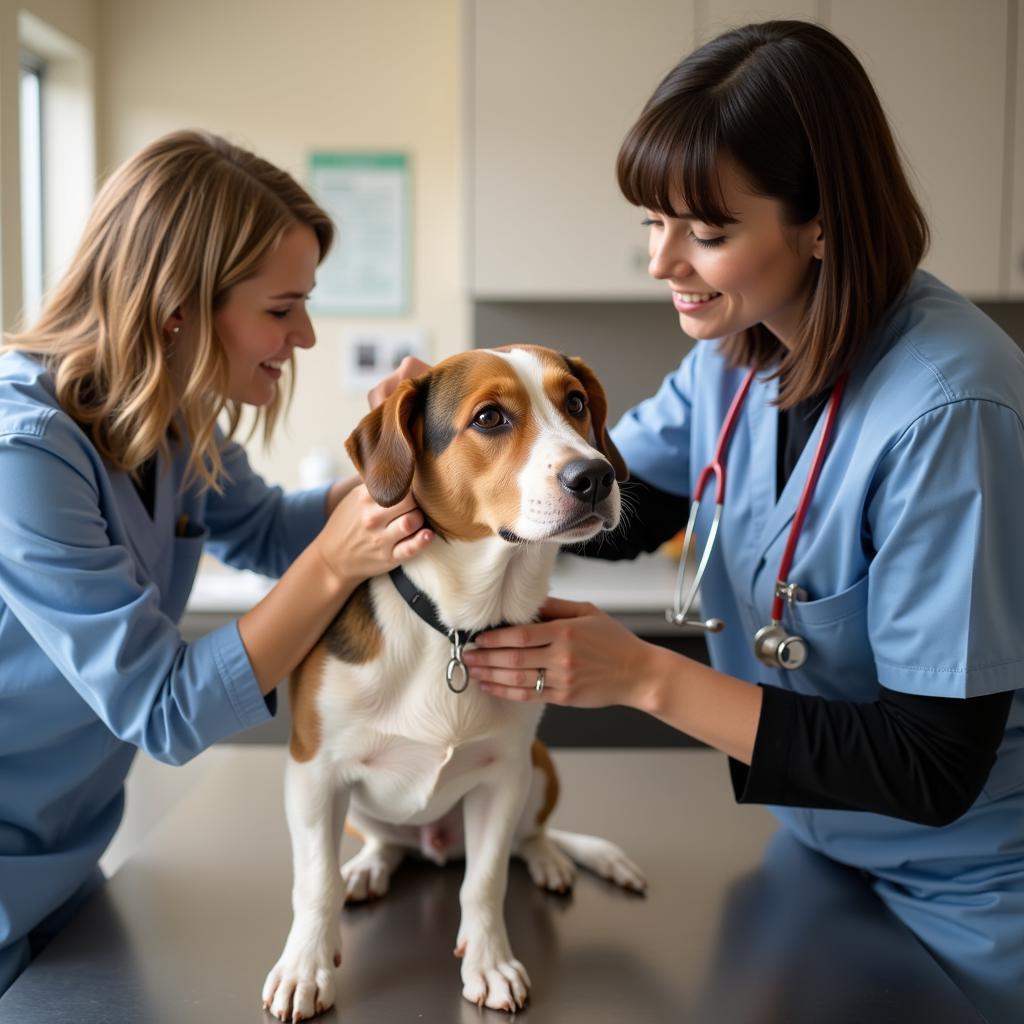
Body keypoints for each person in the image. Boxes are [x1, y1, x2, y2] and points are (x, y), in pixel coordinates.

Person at [380, 21, 1024, 1023]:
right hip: (817, 848)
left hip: (965, 898)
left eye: (707, 233)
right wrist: (409, 490)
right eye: (652, 221)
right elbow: (615, 507)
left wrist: (638, 673)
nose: (661, 261)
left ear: (822, 224)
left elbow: (930, 764)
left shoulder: (951, 412)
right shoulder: (733, 355)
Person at [0, 130, 434, 996]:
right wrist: (336, 567)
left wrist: (404, 452)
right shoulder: (25, 456)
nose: (304, 335)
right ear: (178, 311)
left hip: (65, 862)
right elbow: (162, 709)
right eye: (281, 309)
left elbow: (274, 530)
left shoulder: (173, 415)